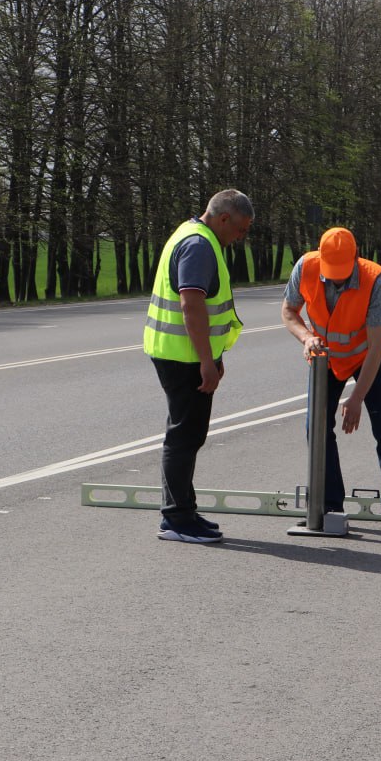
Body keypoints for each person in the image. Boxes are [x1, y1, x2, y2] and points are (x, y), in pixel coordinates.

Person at [280, 226, 381, 532]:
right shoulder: (305, 267)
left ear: (355, 258)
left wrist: (356, 398)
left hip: (371, 358)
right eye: (331, 271)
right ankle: (329, 506)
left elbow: (376, 346)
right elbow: (289, 311)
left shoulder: (375, 281)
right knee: (315, 428)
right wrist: (306, 337)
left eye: (342, 271)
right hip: (326, 358)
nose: (336, 278)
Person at [144, 189, 254, 543]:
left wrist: (215, 357)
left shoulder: (194, 234)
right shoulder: (199, 245)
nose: (242, 237)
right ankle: (176, 519)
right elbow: (191, 307)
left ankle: (183, 511)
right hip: (183, 356)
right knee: (183, 437)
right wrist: (207, 361)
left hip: (182, 353)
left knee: (188, 436)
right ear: (224, 219)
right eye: (241, 229)